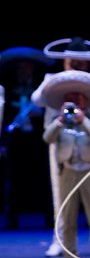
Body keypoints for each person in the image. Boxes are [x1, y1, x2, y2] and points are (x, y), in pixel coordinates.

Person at [32, 37, 90, 257]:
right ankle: (59, 240)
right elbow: (37, 100)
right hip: (61, 138)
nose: (77, 64)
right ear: (65, 60)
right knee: (59, 195)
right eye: (73, 60)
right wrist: (60, 82)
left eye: (82, 61)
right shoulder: (52, 79)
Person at [41, 70, 90, 258]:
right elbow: (47, 138)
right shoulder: (58, 120)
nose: (74, 104)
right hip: (68, 172)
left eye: (78, 99)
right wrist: (60, 120)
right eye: (70, 100)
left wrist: (83, 120)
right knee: (68, 219)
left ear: (86, 102)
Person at [0, 47, 52, 230]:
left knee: (44, 177)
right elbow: (4, 114)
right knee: (13, 179)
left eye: (27, 67)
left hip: (38, 138)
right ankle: (12, 217)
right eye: (20, 68)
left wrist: (41, 114)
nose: (24, 71)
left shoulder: (41, 88)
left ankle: (49, 216)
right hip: (16, 138)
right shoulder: (7, 89)